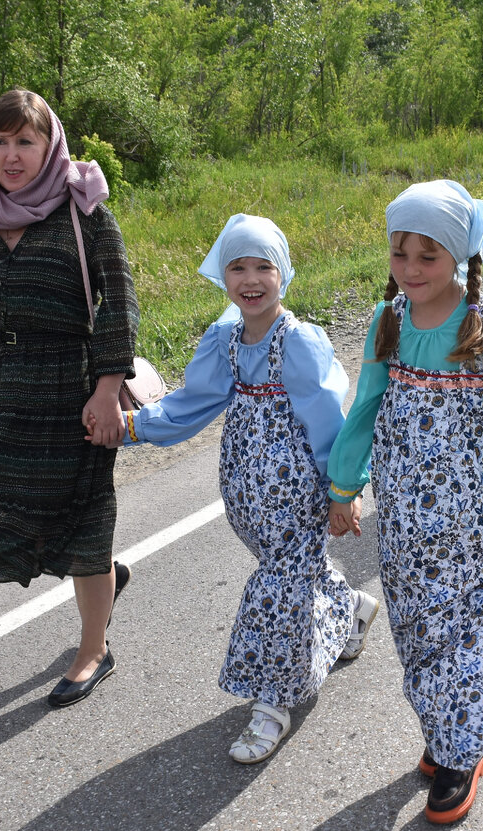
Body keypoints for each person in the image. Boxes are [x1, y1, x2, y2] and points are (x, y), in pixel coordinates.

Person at [327, 180, 483, 825]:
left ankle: (461, 752)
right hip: (405, 524)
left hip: (478, 525)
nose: (412, 269)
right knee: (420, 633)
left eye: (428, 255)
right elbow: (366, 405)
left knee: (472, 637)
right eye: (401, 254)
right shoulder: (388, 320)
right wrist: (344, 486)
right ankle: (448, 728)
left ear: (457, 256)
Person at [117, 214, 379, 764]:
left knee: (276, 592)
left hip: (298, 494)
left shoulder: (299, 343)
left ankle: (272, 703)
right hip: (244, 495)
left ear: (283, 273)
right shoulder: (226, 341)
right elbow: (190, 406)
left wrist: (342, 490)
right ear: (224, 276)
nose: (251, 278)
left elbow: (329, 421)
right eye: (238, 267)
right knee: (289, 573)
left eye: (264, 266)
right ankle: (351, 606)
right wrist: (134, 427)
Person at [0, 89, 140, 707]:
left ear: (48, 145)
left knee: (85, 516)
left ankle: (93, 649)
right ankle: (105, 579)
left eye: (24, 141)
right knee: (15, 511)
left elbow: (119, 302)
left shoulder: (84, 212)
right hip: (9, 393)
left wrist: (108, 389)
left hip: (73, 389)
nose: (11, 156)